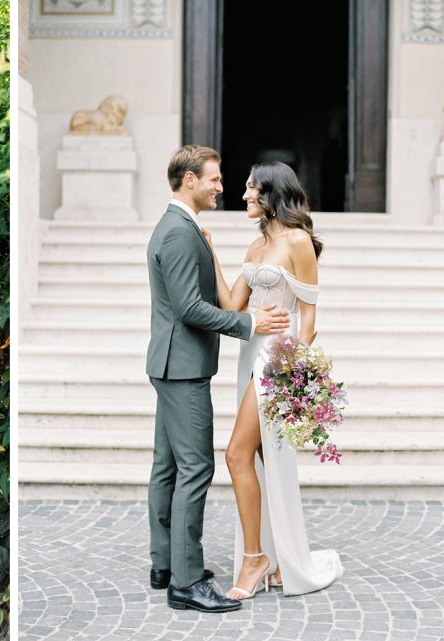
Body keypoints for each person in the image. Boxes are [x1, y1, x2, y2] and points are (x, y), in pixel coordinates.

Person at [145, 145, 291, 613]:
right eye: (213, 178)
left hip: (172, 363)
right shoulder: (178, 233)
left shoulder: (179, 228)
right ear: (189, 180)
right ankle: (186, 582)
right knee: (195, 469)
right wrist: (249, 325)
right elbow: (189, 308)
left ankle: (165, 564)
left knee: (167, 466)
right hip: (182, 366)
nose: (221, 186)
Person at [204, 161, 344, 600]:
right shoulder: (254, 246)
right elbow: (230, 302)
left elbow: (309, 318)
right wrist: (209, 251)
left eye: (250, 189)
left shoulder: (298, 241)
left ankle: (254, 559)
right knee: (258, 461)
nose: (243, 195)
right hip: (248, 355)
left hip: (275, 362)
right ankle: (279, 560)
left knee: (235, 454)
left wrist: (293, 377)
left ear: (271, 193)